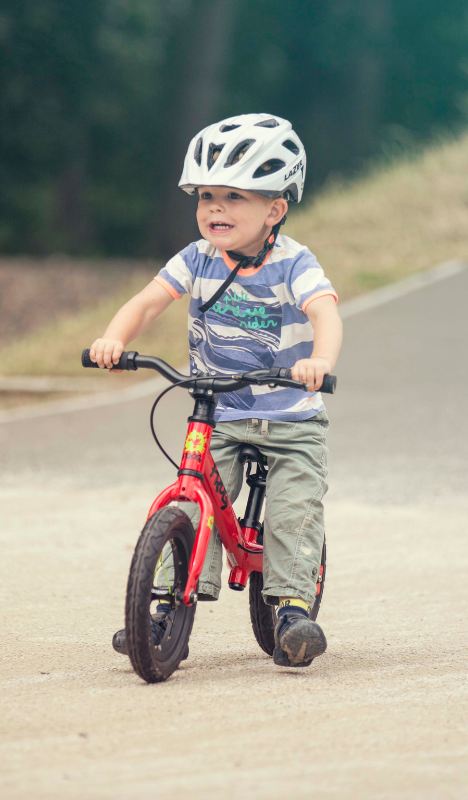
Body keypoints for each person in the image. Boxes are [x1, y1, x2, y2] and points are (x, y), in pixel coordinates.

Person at [89, 113, 343, 667]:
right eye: (206, 196)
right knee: (191, 499)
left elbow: (325, 310)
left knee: (291, 510)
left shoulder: (293, 262)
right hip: (220, 412)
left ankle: (294, 610)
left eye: (234, 196)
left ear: (275, 209)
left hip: (292, 416)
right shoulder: (197, 258)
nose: (215, 209)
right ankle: (161, 612)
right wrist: (114, 339)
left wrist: (319, 361)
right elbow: (149, 301)